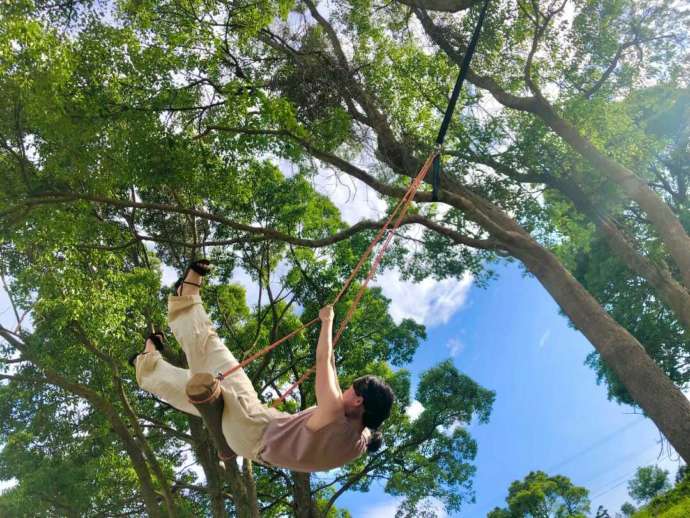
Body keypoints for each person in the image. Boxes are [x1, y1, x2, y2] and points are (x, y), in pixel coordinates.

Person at [130, 260, 395, 472]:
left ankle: (185, 298)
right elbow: (365, 427)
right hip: (249, 445)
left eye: (351, 389)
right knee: (194, 389)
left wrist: (328, 321)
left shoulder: (336, 415)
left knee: (211, 352)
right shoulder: (357, 444)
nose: (343, 390)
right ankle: (146, 363)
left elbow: (323, 361)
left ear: (359, 402)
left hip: (253, 425)